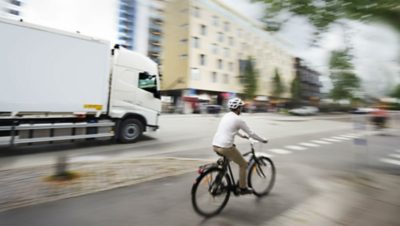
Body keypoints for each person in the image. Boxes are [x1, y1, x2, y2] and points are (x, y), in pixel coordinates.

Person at [212, 97, 268, 194]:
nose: (241, 109)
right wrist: (262, 140)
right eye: (241, 107)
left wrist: (243, 136)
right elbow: (252, 133)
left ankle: (217, 182)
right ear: (238, 108)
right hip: (226, 147)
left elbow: (232, 129)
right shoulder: (238, 120)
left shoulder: (226, 116)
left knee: (228, 159)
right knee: (243, 164)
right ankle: (242, 188)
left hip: (215, 145)